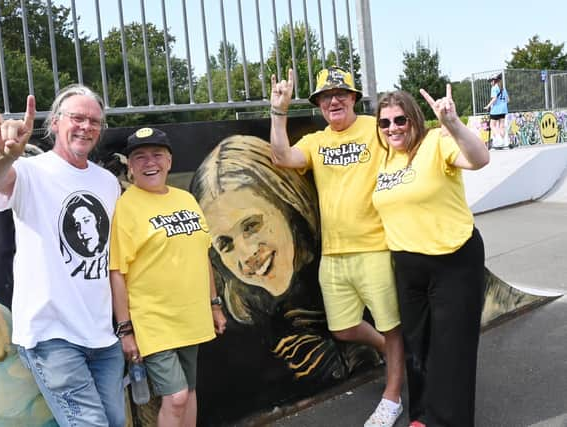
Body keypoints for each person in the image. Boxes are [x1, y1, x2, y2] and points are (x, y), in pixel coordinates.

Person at [0, 85, 125, 427]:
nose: (86, 126)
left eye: (94, 121)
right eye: (77, 117)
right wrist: (4, 153)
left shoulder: (107, 183)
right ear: (55, 123)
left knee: (115, 421)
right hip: (51, 336)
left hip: (102, 336)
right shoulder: (29, 171)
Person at [270, 66, 405, 427]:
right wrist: (278, 111)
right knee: (344, 329)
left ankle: (392, 398)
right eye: (325, 97)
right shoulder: (317, 140)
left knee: (393, 327)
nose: (333, 101)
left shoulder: (375, 128)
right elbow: (282, 157)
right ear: (318, 104)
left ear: (354, 98)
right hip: (334, 254)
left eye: (340, 94)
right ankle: (393, 355)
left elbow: (406, 147)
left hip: (376, 247)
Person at [190, 135, 373, 384]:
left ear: (287, 203)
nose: (246, 254)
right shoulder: (237, 337)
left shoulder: (335, 269)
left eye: (252, 225)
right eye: (225, 244)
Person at [372, 86, 489, 427]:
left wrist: (452, 122)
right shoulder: (384, 158)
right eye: (385, 123)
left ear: (414, 119)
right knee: (417, 344)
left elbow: (479, 159)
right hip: (408, 265)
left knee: (452, 349)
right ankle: (421, 416)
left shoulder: (437, 142)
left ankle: (448, 421)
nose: (393, 127)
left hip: (453, 260)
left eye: (400, 119)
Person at [109, 127, 227, 427]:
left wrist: (214, 304)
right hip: (154, 321)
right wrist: (126, 329)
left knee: (189, 392)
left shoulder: (186, 199)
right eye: (140, 157)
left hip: (191, 315)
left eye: (157, 155)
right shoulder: (126, 206)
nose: (150, 163)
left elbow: (203, 255)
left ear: (170, 161)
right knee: (175, 398)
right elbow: (117, 272)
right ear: (131, 167)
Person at [484, 73, 509, 148]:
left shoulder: (494, 88)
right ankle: (504, 142)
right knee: (502, 126)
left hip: (496, 110)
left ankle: (499, 140)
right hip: (504, 110)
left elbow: (494, 99)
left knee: (492, 125)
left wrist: (488, 106)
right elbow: (508, 100)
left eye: (491, 81)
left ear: (494, 81)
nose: (490, 83)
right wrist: (502, 103)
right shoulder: (503, 89)